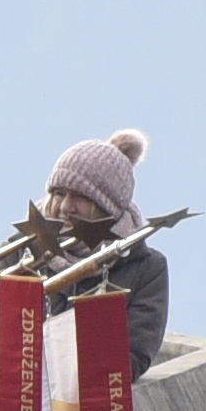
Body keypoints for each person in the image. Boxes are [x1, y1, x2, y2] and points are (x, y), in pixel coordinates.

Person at [41, 127, 162, 368]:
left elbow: (134, 356)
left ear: (108, 206)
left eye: (81, 197)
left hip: (87, 398)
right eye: (59, 193)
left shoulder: (145, 268)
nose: (66, 206)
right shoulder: (23, 249)